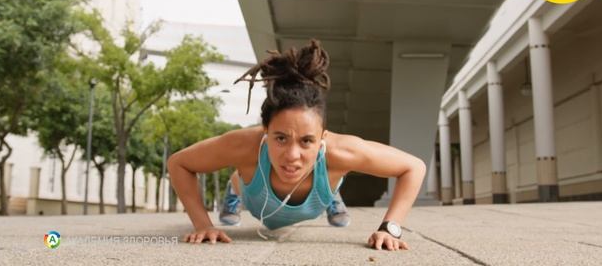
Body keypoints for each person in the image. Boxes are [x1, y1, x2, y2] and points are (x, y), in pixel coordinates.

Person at [167, 40, 427, 251]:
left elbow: (413, 167)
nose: (292, 155)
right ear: (265, 131)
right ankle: (234, 189)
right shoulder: (245, 145)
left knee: (330, 170)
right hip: (256, 200)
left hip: (320, 185)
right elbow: (178, 163)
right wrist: (202, 224)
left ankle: (331, 192)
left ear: (323, 137)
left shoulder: (341, 151)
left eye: (307, 141)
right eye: (280, 138)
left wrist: (390, 227)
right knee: (241, 176)